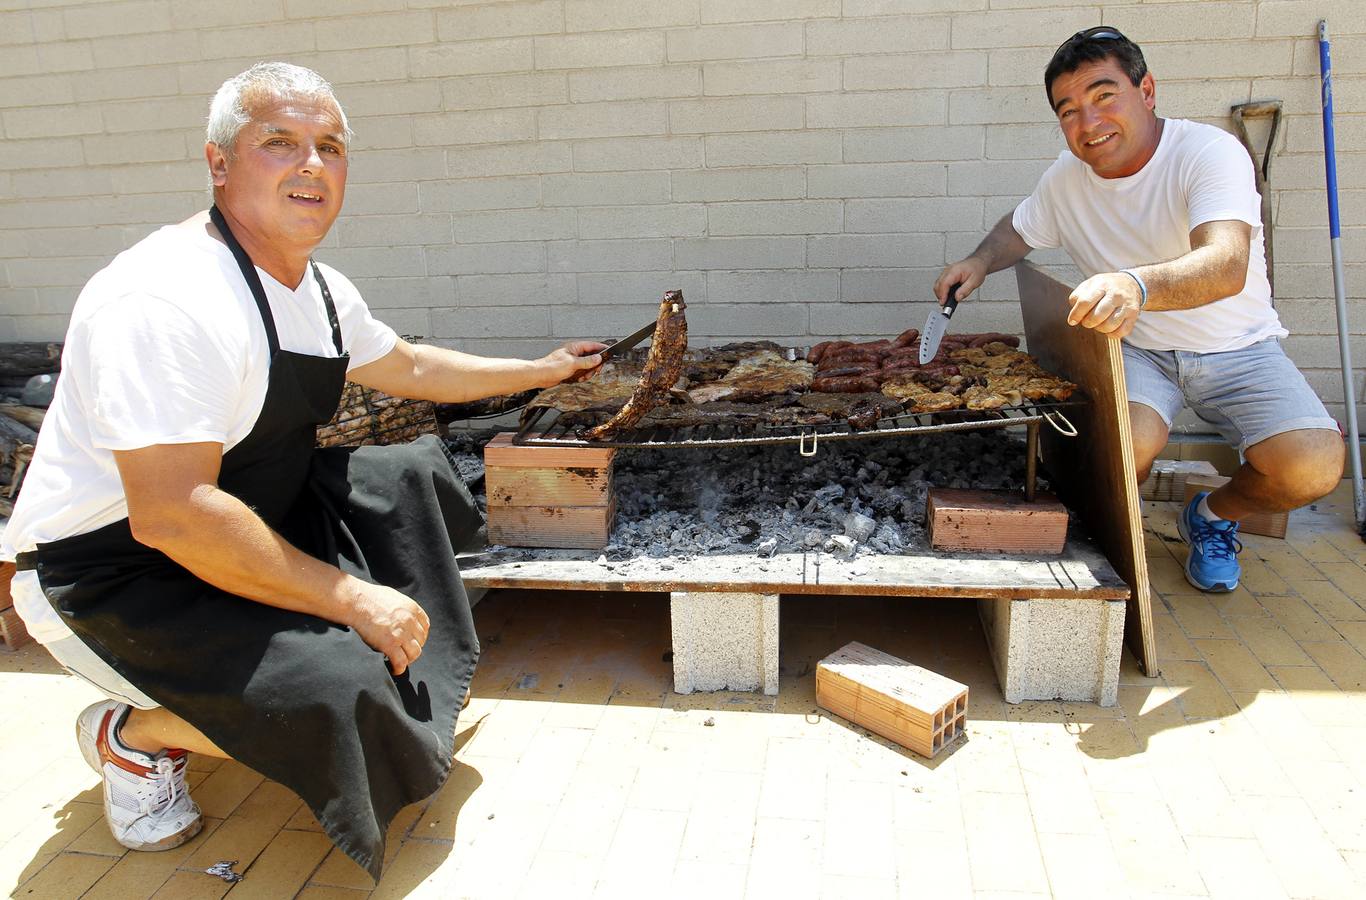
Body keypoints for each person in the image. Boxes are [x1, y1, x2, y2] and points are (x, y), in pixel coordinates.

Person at [0, 62, 604, 878]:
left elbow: (415, 369)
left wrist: (542, 370)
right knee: (337, 688)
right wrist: (351, 598)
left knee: (409, 478)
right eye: (279, 143)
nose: (311, 164)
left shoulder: (317, 289)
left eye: (330, 146)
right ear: (219, 164)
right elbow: (172, 514)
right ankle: (130, 737)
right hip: (109, 571)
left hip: (242, 517)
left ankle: (364, 678)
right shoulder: (162, 299)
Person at [933, 27, 1344, 593]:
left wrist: (1136, 285)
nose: (1089, 122)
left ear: (1146, 90)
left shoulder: (1208, 152)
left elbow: (1226, 263)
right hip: (1137, 350)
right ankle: (1104, 556)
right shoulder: (1065, 180)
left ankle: (1211, 516)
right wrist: (979, 262)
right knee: (1127, 446)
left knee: (1313, 466)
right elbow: (1020, 227)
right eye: (1069, 110)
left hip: (1239, 347)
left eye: (1105, 97)